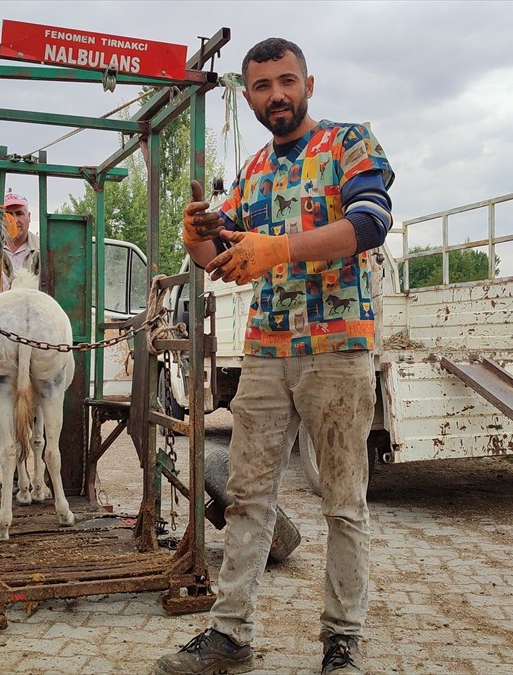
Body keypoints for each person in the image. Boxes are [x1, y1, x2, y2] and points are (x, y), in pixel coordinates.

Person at [155, 38, 393, 675]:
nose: (276, 96)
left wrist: (278, 250)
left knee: (344, 501)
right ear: (250, 95)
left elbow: (370, 222)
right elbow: (223, 259)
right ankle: (230, 632)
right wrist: (198, 236)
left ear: (309, 84)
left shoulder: (348, 144)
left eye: (286, 82)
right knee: (247, 496)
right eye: (262, 87)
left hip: (339, 350)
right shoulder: (256, 168)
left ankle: (342, 641)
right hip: (265, 352)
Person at [0, 192, 39, 291]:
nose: (14, 220)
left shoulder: (43, 249)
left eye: (19, 213)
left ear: (29, 216)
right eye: (8, 214)